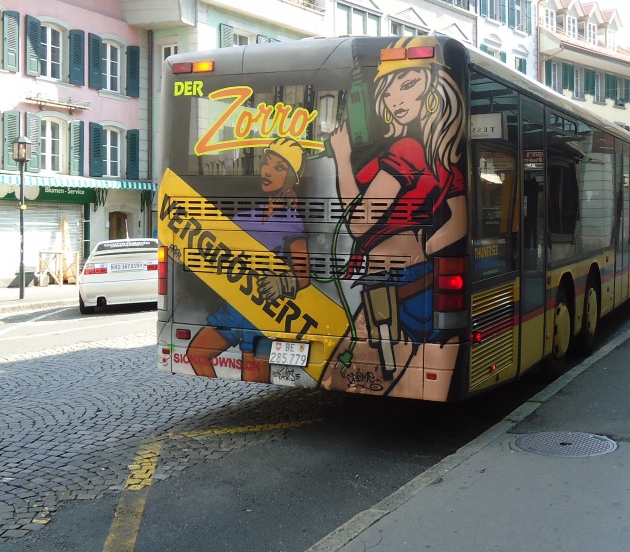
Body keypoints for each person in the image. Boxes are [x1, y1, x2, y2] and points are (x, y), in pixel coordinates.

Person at [325, 45, 466, 399]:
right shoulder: (443, 154)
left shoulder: (406, 149)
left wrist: (342, 158)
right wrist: (425, 251)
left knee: (337, 378)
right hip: (420, 282)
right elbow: (459, 222)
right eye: (388, 89)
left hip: (387, 287)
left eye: (407, 84)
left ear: (433, 90)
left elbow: (359, 224)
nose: (393, 98)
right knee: (424, 385)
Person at [186, 137, 310, 383]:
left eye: (279, 167)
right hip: (236, 306)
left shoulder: (292, 221)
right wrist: (185, 254)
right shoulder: (247, 214)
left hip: (263, 314)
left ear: (292, 178)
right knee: (196, 353)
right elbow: (218, 251)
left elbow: (304, 275)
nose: (267, 170)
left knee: (254, 374)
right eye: (267, 162)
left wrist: (280, 285)